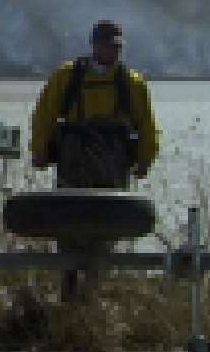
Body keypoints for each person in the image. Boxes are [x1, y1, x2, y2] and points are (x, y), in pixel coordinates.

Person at [29, 19, 160, 299]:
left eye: (116, 46)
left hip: (113, 166)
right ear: (93, 45)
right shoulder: (66, 76)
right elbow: (44, 114)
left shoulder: (132, 83)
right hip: (72, 161)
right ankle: (68, 288)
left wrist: (145, 159)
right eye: (106, 45)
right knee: (68, 225)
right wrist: (39, 149)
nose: (111, 51)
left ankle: (92, 293)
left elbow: (147, 125)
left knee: (108, 227)